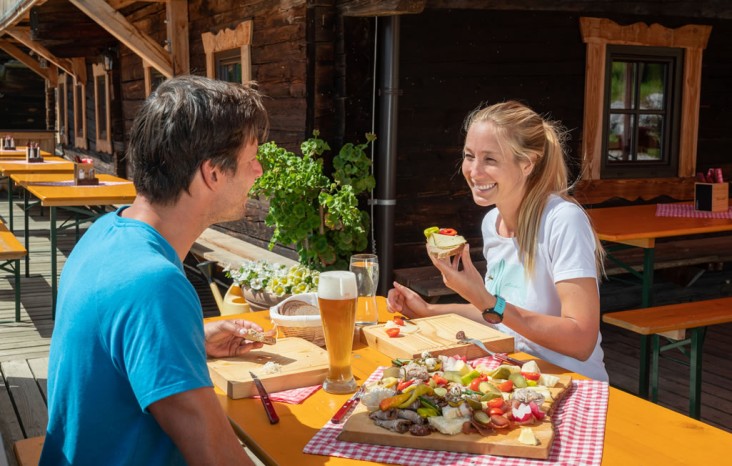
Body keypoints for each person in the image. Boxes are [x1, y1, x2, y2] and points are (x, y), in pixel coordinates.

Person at [41, 75, 271, 465]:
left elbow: (112, 346)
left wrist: (190, 337)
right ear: (212, 173)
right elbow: (215, 454)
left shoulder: (106, 231)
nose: (259, 171)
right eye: (251, 159)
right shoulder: (154, 283)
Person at [388, 100, 608, 381]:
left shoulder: (562, 220)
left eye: (490, 159)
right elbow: (499, 314)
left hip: (573, 385)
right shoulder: (492, 223)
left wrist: (485, 299)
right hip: (516, 379)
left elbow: (580, 341)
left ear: (527, 164)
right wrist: (430, 310)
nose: (474, 171)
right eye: (469, 156)